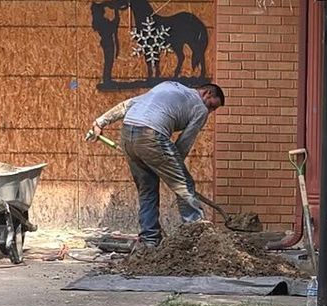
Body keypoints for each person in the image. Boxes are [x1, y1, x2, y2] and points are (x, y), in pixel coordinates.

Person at [91, 81, 226, 247]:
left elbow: (127, 105)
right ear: (207, 94)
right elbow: (184, 143)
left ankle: (150, 240)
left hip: (128, 133)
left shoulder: (168, 87)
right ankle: (198, 237)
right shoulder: (200, 108)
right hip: (152, 134)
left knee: (147, 189)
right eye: (212, 106)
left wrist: (100, 122)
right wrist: (173, 168)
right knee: (184, 184)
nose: (210, 111)